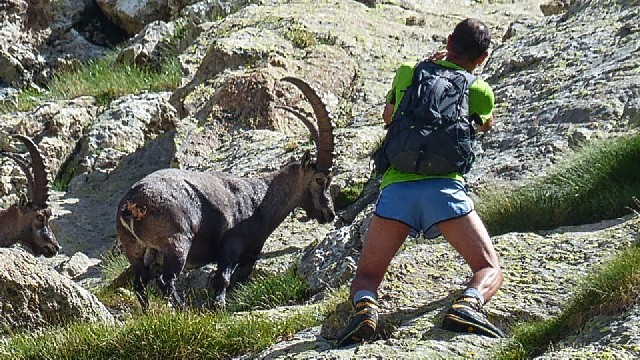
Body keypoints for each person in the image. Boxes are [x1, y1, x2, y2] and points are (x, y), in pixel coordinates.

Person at [336, 18, 504, 347]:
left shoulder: (408, 72)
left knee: (366, 276)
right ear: (482, 58)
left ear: (448, 40)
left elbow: (389, 117)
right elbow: (484, 126)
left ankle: (367, 309)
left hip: (396, 190)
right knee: (488, 267)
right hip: (445, 190)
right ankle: (468, 305)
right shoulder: (479, 89)